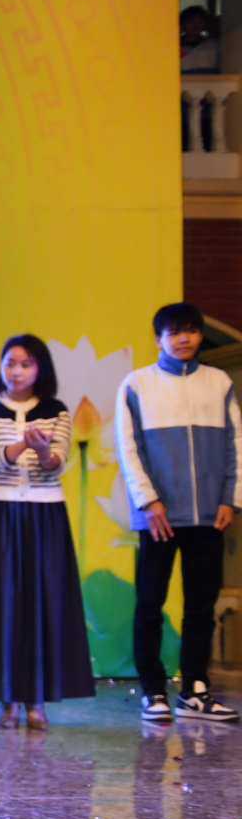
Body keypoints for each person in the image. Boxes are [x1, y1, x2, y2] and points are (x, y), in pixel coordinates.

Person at [116, 302, 241, 722]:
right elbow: (128, 448)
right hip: (158, 516)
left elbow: (235, 445)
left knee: (201, 606)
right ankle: (153, 691)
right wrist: (149, 500)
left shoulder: (219, 382)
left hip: (208, 514)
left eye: (190, 330)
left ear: (200, 335)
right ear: (158, 338)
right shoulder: (137, 384)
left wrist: (230, 498)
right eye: (174, 331)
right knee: (149, 604)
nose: (183, 338)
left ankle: (195, 690)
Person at [0, 335, 93, 729]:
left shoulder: (57, 411)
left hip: (44, 514)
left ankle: (37, 702)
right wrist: (23, 444)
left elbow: (58, 462)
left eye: (26, 364)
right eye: (10, 363)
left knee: (43, 603)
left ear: (40, 369)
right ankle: (8, 703)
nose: (16, 371)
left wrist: (44, 451)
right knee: (0, 603)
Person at [182, 6, 221, 75]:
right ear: (183, 24)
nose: (196, 25)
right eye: (191, 21)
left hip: (209, 81)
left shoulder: (213, 45)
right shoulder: (174, 47)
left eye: (200, 21)